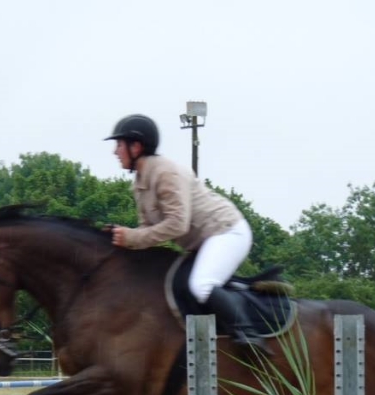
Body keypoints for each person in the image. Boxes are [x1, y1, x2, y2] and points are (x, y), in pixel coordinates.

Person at [104, 114, 268, 354]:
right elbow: (146, 229)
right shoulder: (139, 183)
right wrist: (122, 238)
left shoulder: (166, 173)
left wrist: (132, 238)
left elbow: (177, 225)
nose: (115, 152)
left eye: (118, 144)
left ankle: (250, 336)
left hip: (227, 232)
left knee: (201, 285)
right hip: (203, 242)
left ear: (136, 146)